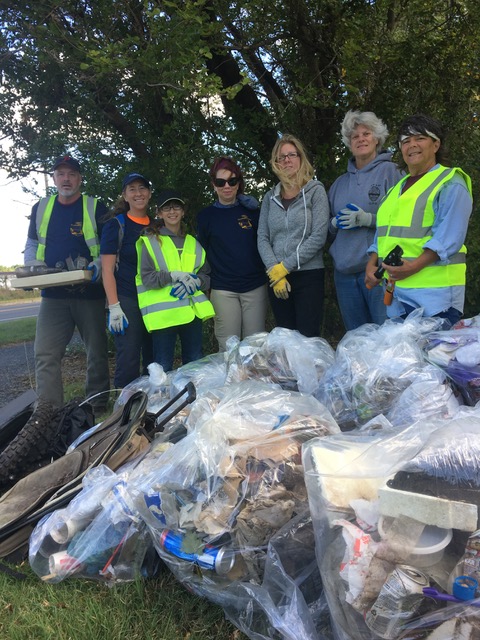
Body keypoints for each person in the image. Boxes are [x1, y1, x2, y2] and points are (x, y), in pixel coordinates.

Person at [365, 114, 473, 326]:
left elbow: (447, 239)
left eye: (419, 138)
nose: (411, 145)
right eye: (405, 141)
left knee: (432, 359)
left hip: (436, 302)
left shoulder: (451, 183)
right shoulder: (397, 189)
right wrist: (371, 265)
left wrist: (412, 267)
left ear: (436, 145)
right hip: (397, 299)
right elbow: (383, 235)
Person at [23, 154, 110, 409]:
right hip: (53, 296)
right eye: (61, 174)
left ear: (80, 179)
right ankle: (49, 411)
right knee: (45, 353)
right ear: (53, 178)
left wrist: (98, 265)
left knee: (96, 352)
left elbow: (108, 247)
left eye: (71, 174)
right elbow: (31, 245)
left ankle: (96, 405)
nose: (66, 179)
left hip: (89, 292)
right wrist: (31, 269)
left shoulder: (95, 207)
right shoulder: (41, 208)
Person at [328, 110, 404, 330]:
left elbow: (403, 220)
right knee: (357, 342)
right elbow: (327, 230)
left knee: (385, 337)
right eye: (355, 136)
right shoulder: (339, 184)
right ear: (349, 143)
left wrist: (369, 219)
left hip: (378, 271)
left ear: (377, 138)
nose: (360, 139)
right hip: (344, 274)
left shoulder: (392, 172)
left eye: (366, 133)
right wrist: (334, 224)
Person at [257, 134, 329, 337]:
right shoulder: (269, 198)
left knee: (308, 338)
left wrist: (285, 266)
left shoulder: (316, 191)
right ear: (276, 162)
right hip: (277, 279)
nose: (287, 160)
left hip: (309, 275)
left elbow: (318, 236)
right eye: (282, 157)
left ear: (301, 158)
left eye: (292, 155)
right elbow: (262, 237)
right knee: (285, 340)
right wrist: (274, 269)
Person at [136, 189, 215, 372]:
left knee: (194, 363)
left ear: (183, 211)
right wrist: (173, 276)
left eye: (176, 207)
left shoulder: (193, 242)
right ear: (160, 213)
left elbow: (206, 276)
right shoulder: (150, 241)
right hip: (164, 316)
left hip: (191, 312)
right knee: (163, 366)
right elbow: (147, 278)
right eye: (167, 208)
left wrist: (196, 282)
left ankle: (193, 400)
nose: (172, 212)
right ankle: (163, 400)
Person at [196, 157, 267, 351]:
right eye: (220, 182)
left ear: (239, 183)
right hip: (223, 289)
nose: (226, 186)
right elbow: (201, 254)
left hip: (255, 286)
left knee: (255, 347)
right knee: (228, 349)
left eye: (232, 181)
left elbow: (265, 243)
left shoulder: (253, 212)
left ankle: (253, 382)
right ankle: (229, 382)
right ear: (213, 184)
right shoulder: (205, 217)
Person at [100, 172, 154, 388]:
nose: (138, 193)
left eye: (142, 188)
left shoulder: (158, 225)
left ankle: (152, 407)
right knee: (129, 358)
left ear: (149, 193)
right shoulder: (116, 225)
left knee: (154, 357)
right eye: (132, 189)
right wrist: (114, 306)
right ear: (124, 195)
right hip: (127, 298)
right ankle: (123, 410)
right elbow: (107, 270)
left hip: (154, 299)